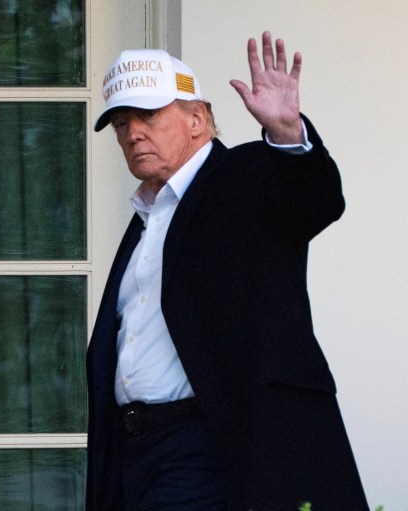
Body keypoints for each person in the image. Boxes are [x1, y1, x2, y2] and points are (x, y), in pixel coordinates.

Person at [86, 32, 369, 511]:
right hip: (135, 451)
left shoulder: (246, 176)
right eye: (120, 122)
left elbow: (315, 202)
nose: (132, 133)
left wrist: (286, 133)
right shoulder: (149, 218)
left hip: (205, 445)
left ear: (197, 119)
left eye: (149, 115)